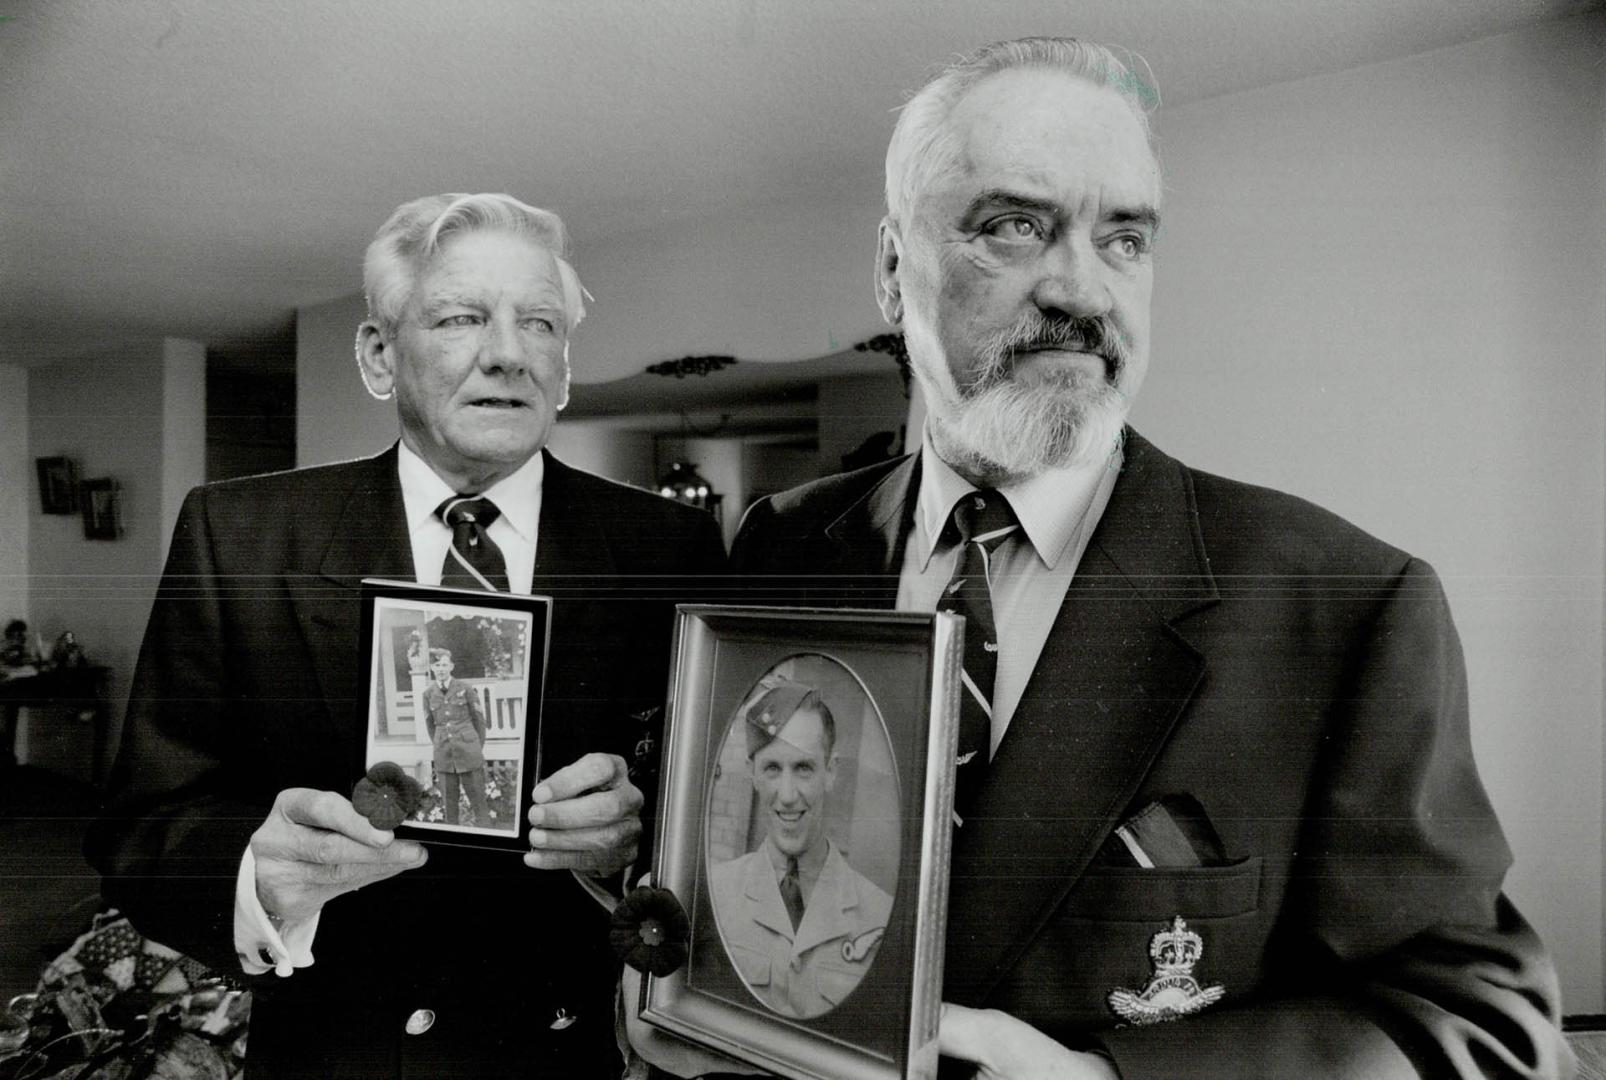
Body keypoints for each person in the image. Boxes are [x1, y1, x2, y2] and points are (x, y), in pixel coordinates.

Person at [722, 38, 1571, 1080]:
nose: (1080, 289)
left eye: (1123, 239)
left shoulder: (1345, 605)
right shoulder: (782, 542)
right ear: (894, 273)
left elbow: (1481, 1022)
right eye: (1014, 226)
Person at [87, 193, 726, 1078]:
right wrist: (256, 871)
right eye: (462, 317)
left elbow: (728, 819)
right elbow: (142, 831)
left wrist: (636, 833)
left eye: (539, 322)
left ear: (566, 367)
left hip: (559, 1056)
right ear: (379, 356)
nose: (507, 352)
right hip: (337, 1053)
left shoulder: (672, 550)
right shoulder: (241, 535)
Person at [707, 680, 892, 1019]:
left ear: (831, 772)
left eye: (804, 768)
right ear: (752, 774)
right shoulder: (712, 897)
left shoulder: (882, 917)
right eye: (772, 768)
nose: (788, 794)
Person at [421, 648, 489, 827]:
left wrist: (474, 747)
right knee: (450, 809)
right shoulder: (428, 694)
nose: (441, 669)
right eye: (437, 665)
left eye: (444, 664)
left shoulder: (465, 689)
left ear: (451, 666)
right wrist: (440, 743)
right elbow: (430, 726)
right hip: (444, 755)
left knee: (479, 805)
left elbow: (479, 721)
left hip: (469, 753)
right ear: (432, 667)